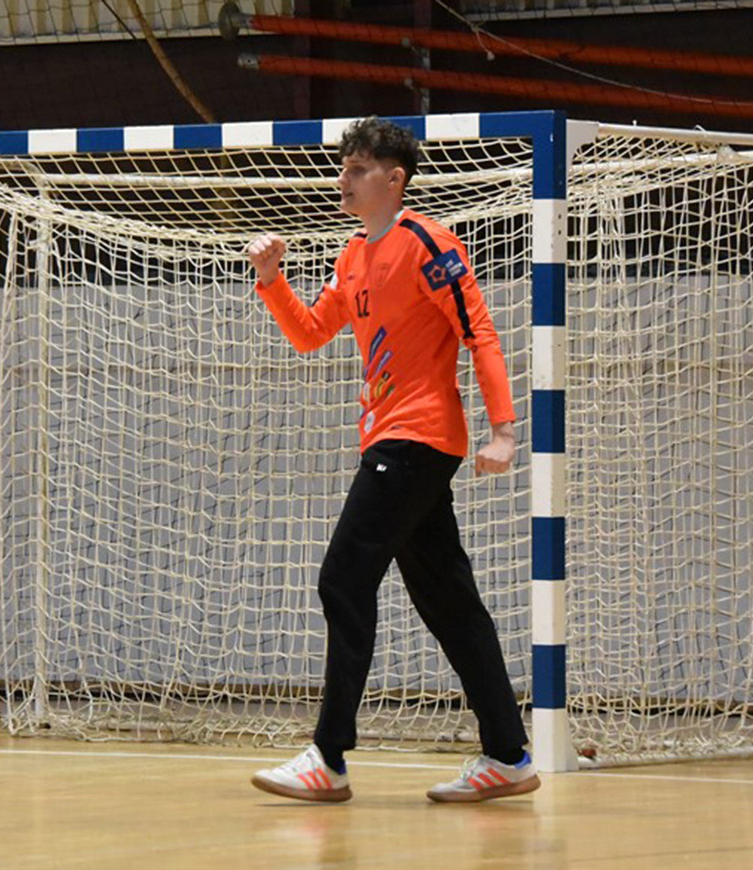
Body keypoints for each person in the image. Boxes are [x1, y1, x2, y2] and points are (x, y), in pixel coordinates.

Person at [245, 116, 540, 804]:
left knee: (343, 580)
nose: (342, 180)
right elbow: (310, 334)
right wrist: (271, 279)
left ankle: (328, 756)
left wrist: (503, 431)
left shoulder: (428, 243)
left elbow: (480, 332)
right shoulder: (352, 255)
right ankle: (508, 755)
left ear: (394, 178)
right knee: (449, 601)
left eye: (357, 169)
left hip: (417, 438)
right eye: (342, 167)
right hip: (390, 439)